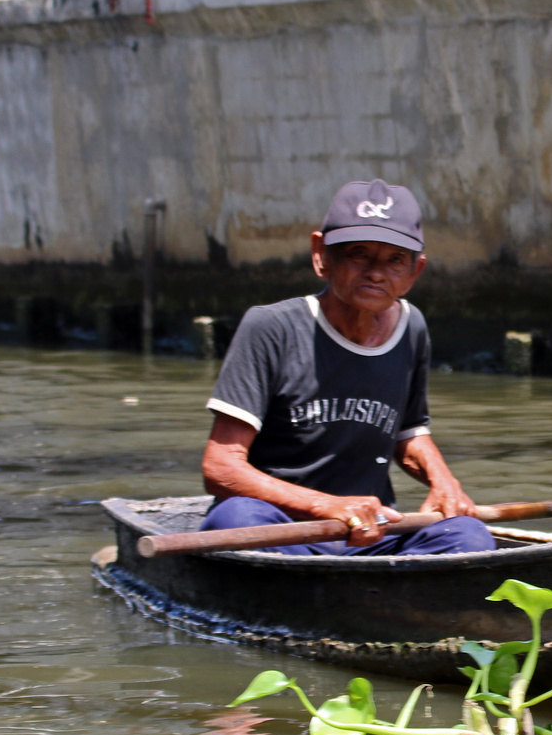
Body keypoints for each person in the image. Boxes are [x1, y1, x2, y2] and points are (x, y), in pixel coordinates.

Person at [196, 179, 494, 556]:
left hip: (370, 533)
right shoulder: (271, 327)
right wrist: (327, 506)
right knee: (235, 519)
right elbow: (220, 467)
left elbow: (408, 432)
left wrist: (444, 482)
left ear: (415, 272)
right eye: (358, 254)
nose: (375, 272)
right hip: (283, 528)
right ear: (321, 255)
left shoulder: (411, 328)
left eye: (395, 259)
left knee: (468, 536)